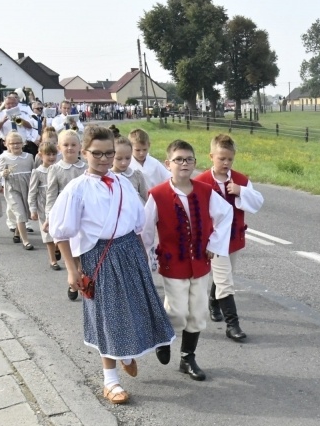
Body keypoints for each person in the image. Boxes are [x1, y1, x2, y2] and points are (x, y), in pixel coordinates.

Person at [49, 125, 175, 404]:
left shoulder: (122, 183)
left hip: (129, 252)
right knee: (108, 315)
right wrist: (72, 269)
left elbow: (138, 223)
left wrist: (144, 254)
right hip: (100, 257)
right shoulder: (77, 189)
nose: (104, 159)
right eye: (97, 153)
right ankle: (110, 380)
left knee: (137, 307)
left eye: (109, 153)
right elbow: (61, 233)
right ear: (84, 153)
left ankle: (125, 353)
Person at [142, 139, 232, 381]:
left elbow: (226, 214)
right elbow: (146, 230)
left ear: (195, 162)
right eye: (179, 159)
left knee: (198, 313)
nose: (184, 163)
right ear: (168, 164)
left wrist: (214, 244)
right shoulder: (158, 195)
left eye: (189, 159)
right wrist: (145, 258)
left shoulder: (205, 191)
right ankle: (163, 335)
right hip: (173, 263)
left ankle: (187, 358)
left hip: (200, 262)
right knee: (178, 312)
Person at [194, 133, 264, 341]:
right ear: (211, 156)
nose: (226, 163)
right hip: (214, 240)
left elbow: (257, 202)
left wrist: (240, 191)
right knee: (225, 280)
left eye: (229, 159)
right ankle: (232, 325)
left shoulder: (240, 180)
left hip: (233, 237)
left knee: (226, 275)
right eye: (221, 158)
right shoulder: (201, 182)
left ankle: (214, 302)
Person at [45, 129, 87, 299]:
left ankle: (83, 279)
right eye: (66, 145)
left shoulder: (86, 167)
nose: (70, 148)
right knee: (70, 250)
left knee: (83, 250)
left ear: (80, 146)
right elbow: (51, 195)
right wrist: (49, 217)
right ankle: (74, 280)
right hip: (65, 215)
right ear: (59, 147)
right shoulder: (55, 169)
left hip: (84, 214)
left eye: (73, 144)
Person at [0, 132, 35, 250]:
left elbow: (34, 172)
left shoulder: (29, 157)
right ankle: (26, 241)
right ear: (7, 145)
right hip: (12, 188)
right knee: (20, 213)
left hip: (27, 187)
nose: (15, 145)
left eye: (18, 143)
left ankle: (17, 233)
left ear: (23, 144)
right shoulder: (4, 157)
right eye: (12, 143)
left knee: (24, 211)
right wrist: (3, 173)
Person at [29, 142, 60, 269]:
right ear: (41, 155)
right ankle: (53, 260)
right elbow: (32, 192)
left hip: (57, 203)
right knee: (47, 232)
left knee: (59, 230)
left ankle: (58, 247)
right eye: (48, 154)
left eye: (54, 154)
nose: (51, 157)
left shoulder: (58, 169)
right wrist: (32, 209)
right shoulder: (37, 172)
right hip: (43, 205)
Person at [112, 136, 148, 204]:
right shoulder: (107, 177)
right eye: (119, 159)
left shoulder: (136, 175)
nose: (124, 162)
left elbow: (145, 198)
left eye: (128, 158)